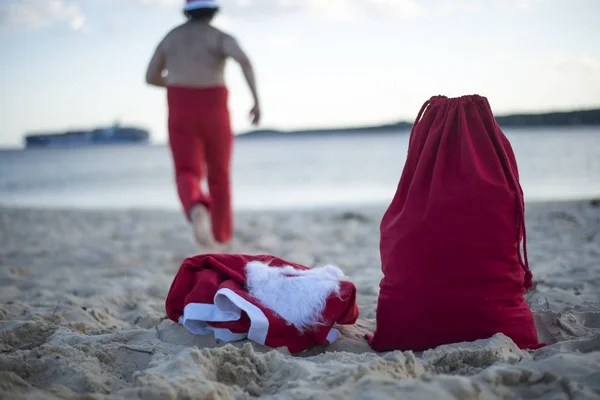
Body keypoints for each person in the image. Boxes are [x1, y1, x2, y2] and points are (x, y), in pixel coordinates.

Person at [145, 0, 260, 249]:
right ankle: (221, 236)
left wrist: (177, 82)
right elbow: (245, 61)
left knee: (187, 171)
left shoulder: (171, 38)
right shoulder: (219, 37)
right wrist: (255, 101)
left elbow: (150, 77)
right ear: (213, 10)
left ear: (187, 9)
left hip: (180, 105)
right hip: (215, 105)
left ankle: (196, 206)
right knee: (220, 175)